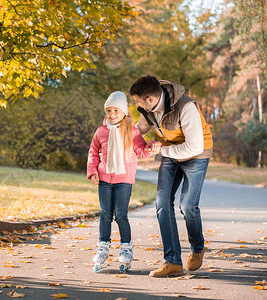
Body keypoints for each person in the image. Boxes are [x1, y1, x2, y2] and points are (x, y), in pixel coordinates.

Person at [129, 75, 213, 277]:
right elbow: (138, 131)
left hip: (197, 154)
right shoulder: (147, 110)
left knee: (187, 206)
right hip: (170, 152)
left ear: (150, 99)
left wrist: (161, 152)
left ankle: (197, 247)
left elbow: (194, 146)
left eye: (138, 101)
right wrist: (116, 131)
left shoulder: (186, 107)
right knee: (162, 203)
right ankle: (173, 261)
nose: (137, 105)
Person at [87, 91, 161, 273]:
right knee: (105, 214)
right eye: (109, 111)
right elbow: (93, 153)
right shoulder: (100, 132)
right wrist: (92, 171)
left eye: (116, 111)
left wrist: (152, 147)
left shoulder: (132, 130)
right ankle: (102, 250)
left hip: (124, 180)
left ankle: (126, 250)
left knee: (121, 215)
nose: (112, 115)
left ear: (123, 111)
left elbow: (141, 150)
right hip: (104, 178)